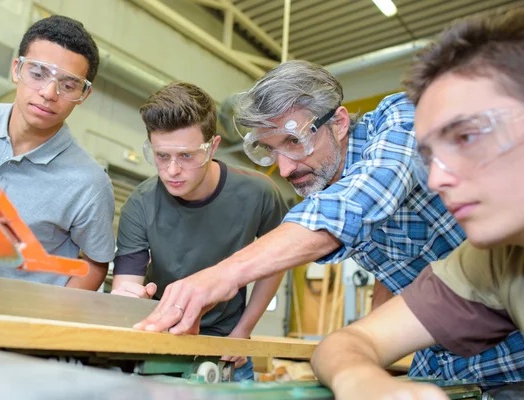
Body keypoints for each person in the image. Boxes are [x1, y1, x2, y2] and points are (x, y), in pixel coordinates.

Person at [134, 59, 524, 384]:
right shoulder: (322, 181)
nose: (285, 168)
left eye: (294, 142)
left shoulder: (399, 120)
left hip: (509, 361)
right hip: (444, 365)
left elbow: (362, 199)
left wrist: (221, 276)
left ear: (338, 122)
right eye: (270, 151)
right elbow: (394, 267)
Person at [311, 9, 524, 400]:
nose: (437, 178)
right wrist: (360, 381)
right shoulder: (492, 261)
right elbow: (348, 343)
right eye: (430, 157)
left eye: (466, 137)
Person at [110, 82, 288, 381]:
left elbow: (277, 261)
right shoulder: (139, 204)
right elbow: (126, 286)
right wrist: (130, 300)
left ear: (213, 147)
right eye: (161, 156)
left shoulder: (259, 194)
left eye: (186, 156)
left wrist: (243, 331)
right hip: (159, 345)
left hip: (225, 347)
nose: (172, 170)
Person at [0, 15, 115, 289]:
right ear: (17, 69)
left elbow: (95, 264)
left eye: (68, 84)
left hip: (21, 322)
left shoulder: (90, 183)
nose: (49, 92)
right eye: (38, 73)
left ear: (83, 94)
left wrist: (48, 321)